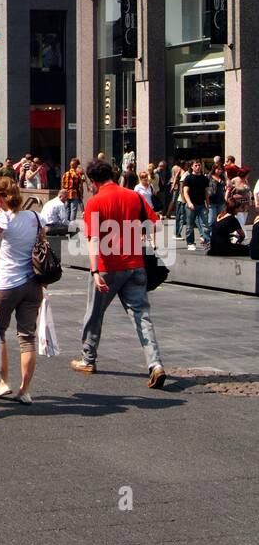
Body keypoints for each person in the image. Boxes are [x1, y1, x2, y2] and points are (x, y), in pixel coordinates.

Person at [70, 160, 166, 388]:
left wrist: (94, 271)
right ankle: (155, 364)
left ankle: (88, 359)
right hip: (135, 264)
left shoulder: (95, 202)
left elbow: (93, 239)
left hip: (107, 266)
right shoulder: (135, 196)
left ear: (93, 182)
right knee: (142, 316)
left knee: (94, 313)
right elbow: (157, 225)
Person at [0, 176, 45, 404]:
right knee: (27, 338)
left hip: (8, 284)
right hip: (33, 283)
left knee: (0, 333)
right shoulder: (36, 217)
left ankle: (3, 382)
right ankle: (24, 390)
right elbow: (41, 246)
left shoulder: (1, 219)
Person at [181, 160, 210, 250]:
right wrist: (189, 203)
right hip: (191, 205)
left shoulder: (204, 178)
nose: (198, 167)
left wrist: (207, 204)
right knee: (190, 225)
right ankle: (190, 243)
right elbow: (185, 192)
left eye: (199, 165)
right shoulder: (189, 178)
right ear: (192, 167)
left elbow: (206, 192)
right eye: (196, 165)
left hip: (202, 204)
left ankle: (207, 241)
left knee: (205, 224)